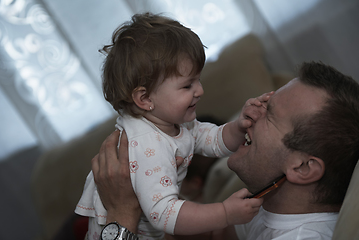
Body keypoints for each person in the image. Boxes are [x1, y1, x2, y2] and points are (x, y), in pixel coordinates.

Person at [92, 61, 359, 240]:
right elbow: (214, 234)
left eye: (270, 113)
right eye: (264, 100)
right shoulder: (271, 205)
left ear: (302, 167)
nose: (251, 109)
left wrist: (121, 213)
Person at [75, 12, 267, 240]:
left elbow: (212, 139)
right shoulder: (147, 145)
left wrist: (239, 126)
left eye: (198, 80)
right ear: (145, 99)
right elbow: (165, 213)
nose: (200, 91)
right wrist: (224, 212)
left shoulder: (171, 123)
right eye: (187, 86)